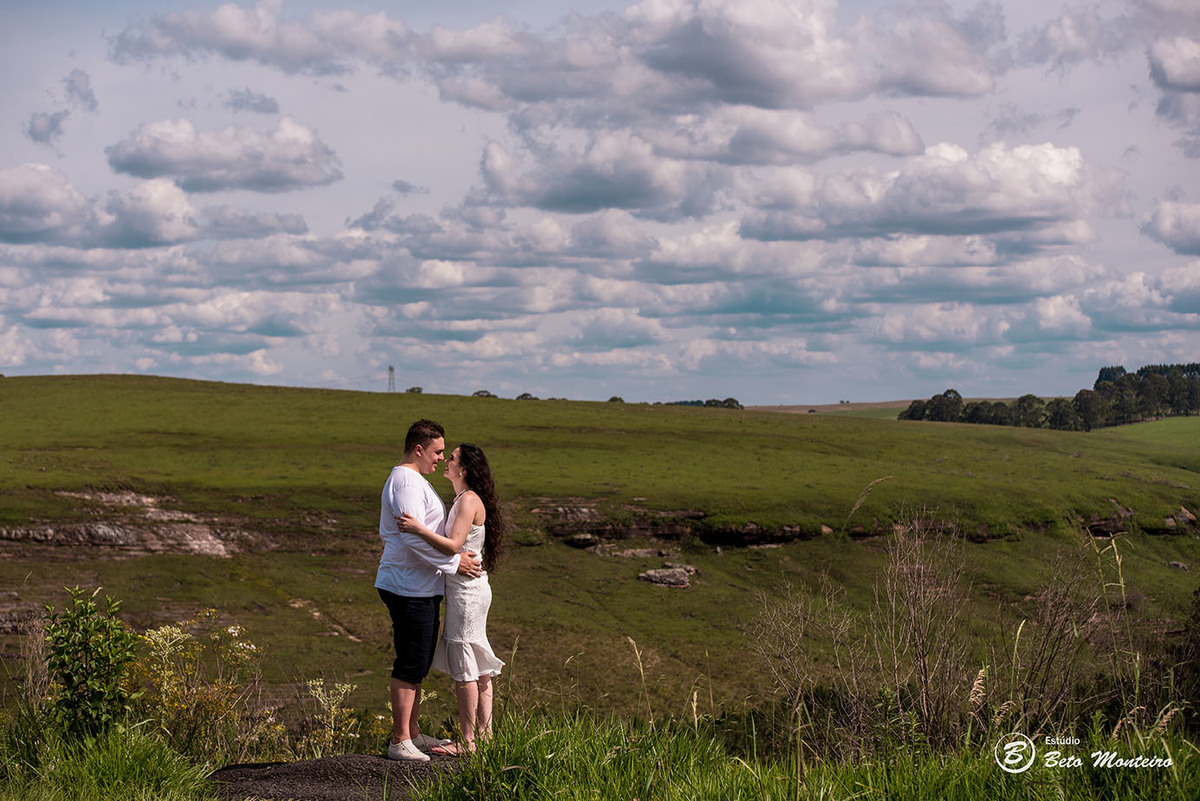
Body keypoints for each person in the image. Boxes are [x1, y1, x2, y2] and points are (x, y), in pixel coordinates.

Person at [376, 419, 482, 763]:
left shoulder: (413, 480)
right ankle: (400, 739)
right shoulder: (406, 482)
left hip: (419, 585)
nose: (440, 458)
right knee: (410, 662)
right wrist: (454, 563)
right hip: (407, 585)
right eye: (437, 452)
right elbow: (411, 537)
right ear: (418, 449)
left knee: (418, 661)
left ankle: (413, 733)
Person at [397, 442, 506, 755]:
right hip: (469, 589)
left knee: (465, 662)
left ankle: (468, 740)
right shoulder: (465, 498)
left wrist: (417, 529)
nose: (446, 460)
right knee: (478, 663)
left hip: (467, 593)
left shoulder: (468, 500)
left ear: (464, 469)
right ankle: (484, 736)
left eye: (453, 458)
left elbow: (453, 545)